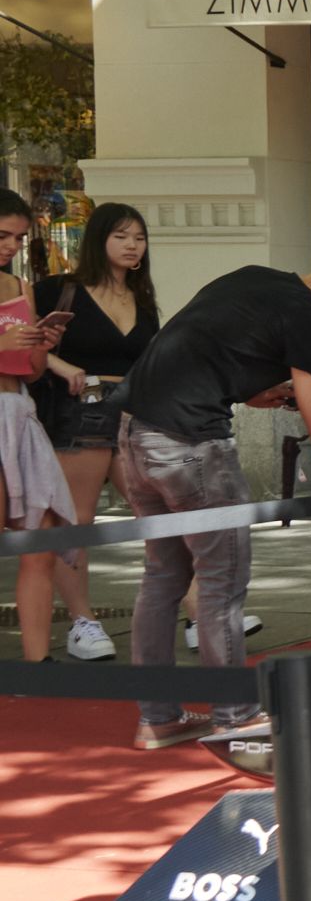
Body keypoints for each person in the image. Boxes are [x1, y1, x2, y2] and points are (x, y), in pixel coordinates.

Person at [114, 229, 311, 753]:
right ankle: (236, 717)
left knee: (162, 577)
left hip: (135, 435)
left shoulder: (255, 279)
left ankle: (157, 717)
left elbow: (209, 351)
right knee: (222, 582)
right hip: (191, 445)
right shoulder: (307, 321)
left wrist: (257, 393)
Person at [34, 200, 155, 660]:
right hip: (78, 411)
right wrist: (65, 366)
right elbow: (21, 344)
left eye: (139, 237)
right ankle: (82, 621)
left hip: (133, 412)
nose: (131, 245)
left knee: (158, 514)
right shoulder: (59, 290)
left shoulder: (142, 296)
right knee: (76, 519)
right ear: (98, 239)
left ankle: (195, 610)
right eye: (121, 236)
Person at [0, 188, 77, 668]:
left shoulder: (18, 286)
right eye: (2, 235)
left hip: (17, 410)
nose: (10, 246)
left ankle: (37, 665)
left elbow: (26, 371)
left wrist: (42, 343)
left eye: (18, 237)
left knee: (42, 539)